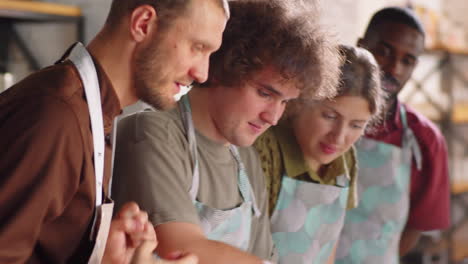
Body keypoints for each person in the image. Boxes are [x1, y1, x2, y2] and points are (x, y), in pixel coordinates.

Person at [111, 1, 342, 263]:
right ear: (224, 69)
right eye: (265, 93)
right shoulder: (153, 133)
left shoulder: (245, 158)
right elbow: (181, 249)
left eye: (285, 102)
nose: (273, 117)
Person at [0, 0, 229, 262]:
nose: (202, 73)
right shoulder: (56, 117)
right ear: (143, 24)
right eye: (197, 47)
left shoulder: (90, 110)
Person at [336, 7, 450, 263]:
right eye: (384, 51)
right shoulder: (315, 114)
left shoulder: (426, 140)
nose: (394, 67)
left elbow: (417, 227)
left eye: (407, 60)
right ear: (362, 45)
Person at [254, 45, 384, 264]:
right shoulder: (265, 148)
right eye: (330, 116)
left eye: (356, 125)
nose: (339, 137)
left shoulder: (345, 159)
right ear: (302, 101)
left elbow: (326, 246)